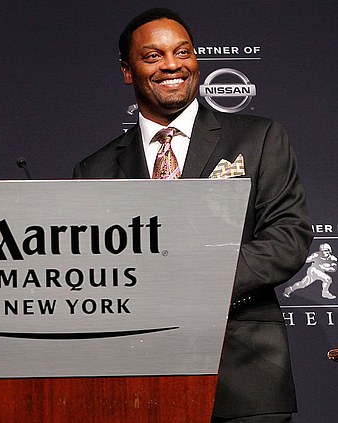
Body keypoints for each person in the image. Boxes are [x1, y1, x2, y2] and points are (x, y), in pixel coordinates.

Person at [73, 8, 313, 422]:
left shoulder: (258, 138)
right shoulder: (94, 169)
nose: (172, 65)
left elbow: (288, 236)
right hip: (135, 379)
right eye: (153, 56)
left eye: (182, 52)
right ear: (128, 72)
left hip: (244, 374)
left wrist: (196, 279)